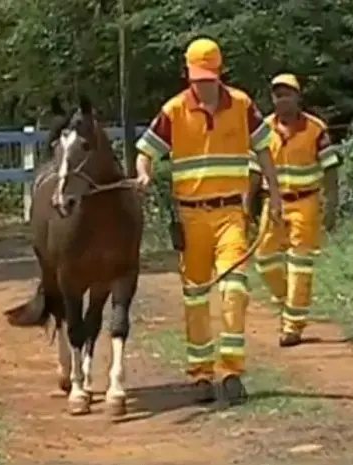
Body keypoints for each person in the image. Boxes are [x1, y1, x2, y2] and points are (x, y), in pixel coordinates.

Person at [134, 38, 283, 405]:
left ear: (219, 74)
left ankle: (232, 372)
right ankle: (201, 375)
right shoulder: (173, 110)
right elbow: (145, 151)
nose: (203, 84)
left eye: (209, 77)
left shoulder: (242, 105)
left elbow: (263, 149)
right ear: (187, 74)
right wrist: (144, 174)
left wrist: (274, 194)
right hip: (190, 217)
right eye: (197, 78)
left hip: (231, 213)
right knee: (196, 296)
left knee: (235, 289)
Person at [249, 73, 341, 347]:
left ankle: (293, 326)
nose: (282, 99)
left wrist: (332, 204)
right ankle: (288, 302)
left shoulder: (316, 129)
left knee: (300, 264)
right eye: (278, 94)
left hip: (306, 202)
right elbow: (253, 171)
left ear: (298, 97)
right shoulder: (263, 128)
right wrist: (246, 205)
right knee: (264, 259)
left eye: (287, 93)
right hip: (273, 202)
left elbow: (330, 168)